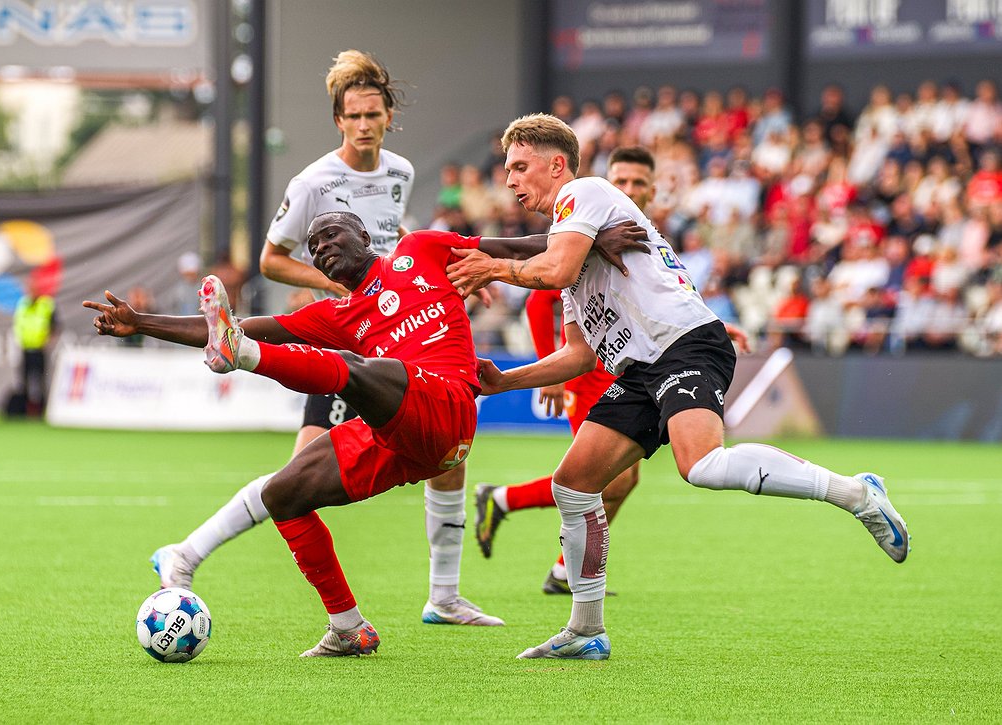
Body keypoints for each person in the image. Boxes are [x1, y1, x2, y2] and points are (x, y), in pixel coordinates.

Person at [448, 114, 911, 660]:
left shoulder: (584, 192)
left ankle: (857, 493)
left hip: (684, 345)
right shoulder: (571, 246)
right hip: (640, 369)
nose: (509, 180)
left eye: (519, 167)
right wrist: (504, 381)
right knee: (573, 484)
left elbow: (553, 271)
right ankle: (586, 630)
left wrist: (493, 266)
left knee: (702, 466)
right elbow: (578, 354)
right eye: (507, 170)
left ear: (556, 165)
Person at [84, 211, 642, 656]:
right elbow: (223, 325)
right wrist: (141, 323)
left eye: (331, 234)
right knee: (284, 494)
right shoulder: (336, 314)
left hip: (449, 409)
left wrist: (591, 240)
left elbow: (514, 246)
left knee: (360, 369)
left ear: (364, 236)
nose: (321, 246)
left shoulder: (422, 249)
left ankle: (245, 358)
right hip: (398, 437)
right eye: (313, 246)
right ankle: (347, 626)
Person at [121, 50, 491, 630]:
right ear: (338, 120)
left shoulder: (400, 172)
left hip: (396, 325)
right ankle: (191, 554)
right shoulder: (314, 182)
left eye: (373, 114)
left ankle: (443, 596)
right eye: (353, 116)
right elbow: (271, 260)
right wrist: (338, 285)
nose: (364, 125)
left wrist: (442, 273)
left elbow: (395, 242)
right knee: (300, 472)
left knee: (449, 458)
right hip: (347, 332)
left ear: (389, 117)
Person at [473, 146, 750, 595]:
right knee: (602, 476)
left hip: (632, 361)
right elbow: (543, 299)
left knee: (618, 479)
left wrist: (711, 324)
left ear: (652, 191)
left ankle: (563, 569)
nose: (629, 189)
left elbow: (659, 295)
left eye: (639, 183)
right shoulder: (582, 218)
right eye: (621, 180)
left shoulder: (635, 234)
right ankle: (525, 523)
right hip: (591, 370)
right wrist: (553, 371)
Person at [12, 280, 57, 417]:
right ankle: (24, 411)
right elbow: (18, 324)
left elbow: (54, 325)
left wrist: (48, 341)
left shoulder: (46, 304)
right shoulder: (22, 304)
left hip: (40, 349)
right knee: (24, 380)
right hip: (25, 348)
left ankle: (42, 411)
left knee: (41, 380)